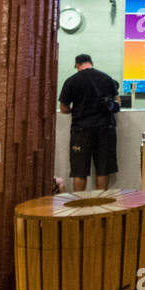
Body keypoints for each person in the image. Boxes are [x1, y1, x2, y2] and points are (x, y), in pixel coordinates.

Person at [58, 54, 119, 192]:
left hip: (81, 131)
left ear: (77, 65)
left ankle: (80, 206)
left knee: (79, 171)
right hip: (105, 129)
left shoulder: (72, 81)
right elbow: (117, 102)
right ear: (91, 62)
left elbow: (63, 108)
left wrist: (77, 109)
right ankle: (100, 207)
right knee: (103, 170)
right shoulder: (107, 78)